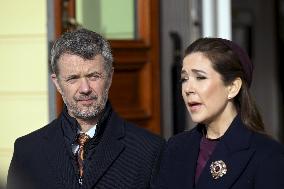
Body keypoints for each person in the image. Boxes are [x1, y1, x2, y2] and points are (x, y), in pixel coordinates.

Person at [7, 28, 165, 189]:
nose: (85, 88)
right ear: (57, 83)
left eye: (93, 76)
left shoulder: (149, 150)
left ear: (110, 77)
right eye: (73, 78)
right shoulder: (27, 151)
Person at [153, 38, 284, 189]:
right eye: (184, 79)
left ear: (233, 87)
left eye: (200, 77)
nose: (188, 89)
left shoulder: (268, 155)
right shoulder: (175, 148)